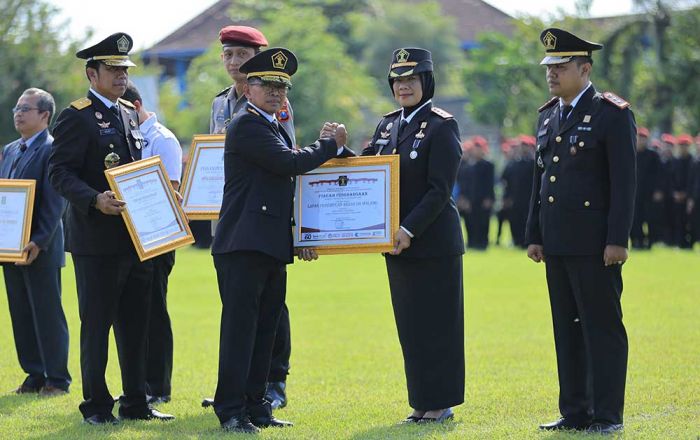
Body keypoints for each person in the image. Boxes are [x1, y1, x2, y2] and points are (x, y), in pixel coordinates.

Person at [210, 47, 348, 434]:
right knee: (241, 332)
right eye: (266, 85)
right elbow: (289, 163)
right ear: (248, 88)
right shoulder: (246, 124)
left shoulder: (269, 124)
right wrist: (328, 145)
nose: (275, 92)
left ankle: (257, 406)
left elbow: (287, 176)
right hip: (242, 244)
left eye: (281, 87)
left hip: (267, 243)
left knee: (265, 332)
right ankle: (231, 410)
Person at [48, 32, 174, 425]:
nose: (121, 75)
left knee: (137, 324)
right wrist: (93, 199)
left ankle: (136, 402)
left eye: (125, 69)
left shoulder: (128, 112)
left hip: (135, 238)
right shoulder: (75, 115)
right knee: (98, 324)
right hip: (96, 241)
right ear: (92, 72)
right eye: (113, 69)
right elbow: (58, 173)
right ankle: (97, 406)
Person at [525, 28, 636, 434]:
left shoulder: (612, 113)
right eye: (549, 67)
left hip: (595, 244)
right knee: (566, 328)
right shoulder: (548, 114)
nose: (552, 74)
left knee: (601, 328)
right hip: (557, 241)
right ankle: (574, 412)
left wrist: (618, 239)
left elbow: (624, 183)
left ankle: (607, 416)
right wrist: (533, 233)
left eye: (561, 66)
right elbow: (541, 181)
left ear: (584, 68)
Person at [359, 47, 465, 424]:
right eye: (398, 81)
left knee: (439, 325)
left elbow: (440, 189)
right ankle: (421, 402)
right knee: (412, 326)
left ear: (426, 82)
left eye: (411, 79)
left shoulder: (442, 125)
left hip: (432, 242)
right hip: (395, 244)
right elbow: (366, 169)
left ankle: (442, 402)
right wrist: (336, 150)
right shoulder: (387, 125)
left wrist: (409, 228)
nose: (403, 87)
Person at [203, 25, 293, 410]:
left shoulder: (274, 110)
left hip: (265, 224)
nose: (234, 63)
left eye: (242, 55)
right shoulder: (223, 105)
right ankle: (237, 398)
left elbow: (287, 164)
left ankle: (268, 386)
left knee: (268, 315)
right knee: (243, 319)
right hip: (238, 224)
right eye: (229, 55)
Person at [1, 88, 70, 396]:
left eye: (25, 108)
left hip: (40, 246)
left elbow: (55, 203)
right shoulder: (10, 149)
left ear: (44, 115)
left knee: (47, 313)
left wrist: (39, 241)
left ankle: (57, 379)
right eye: (17, 108)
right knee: (21, 312)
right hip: (10, 246)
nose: (18, 113)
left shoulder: (53, 149)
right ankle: (34, 374)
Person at [121, 82, 182, 404]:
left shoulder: (163, 138)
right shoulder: (128, 137)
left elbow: (171, 187)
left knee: (154, 311)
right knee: (134, 311)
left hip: (158, 235)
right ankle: (138, 384)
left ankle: (158, 386)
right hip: (131, 236)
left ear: (136, 106)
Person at [630, 127, 661, 249]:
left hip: (649, 192)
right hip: (634, 191)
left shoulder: (653, 155)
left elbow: (660, 174)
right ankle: (637, 240)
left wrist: (658, 190)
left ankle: (650, 241)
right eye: (639, 138)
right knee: (634, 218)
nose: (641, 141)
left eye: (644, 139)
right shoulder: (631, 152)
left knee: (649, 217)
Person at [465, 136, 494, 250]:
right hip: (470, 199)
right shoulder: (468, 165)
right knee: (471, 221)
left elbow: (490, 183)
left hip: (483, 199)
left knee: (483, 222)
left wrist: (489, 198)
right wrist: (464, 198)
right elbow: (465, 184)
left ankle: (483, 243)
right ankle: (472, 242)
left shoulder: (488, 165)